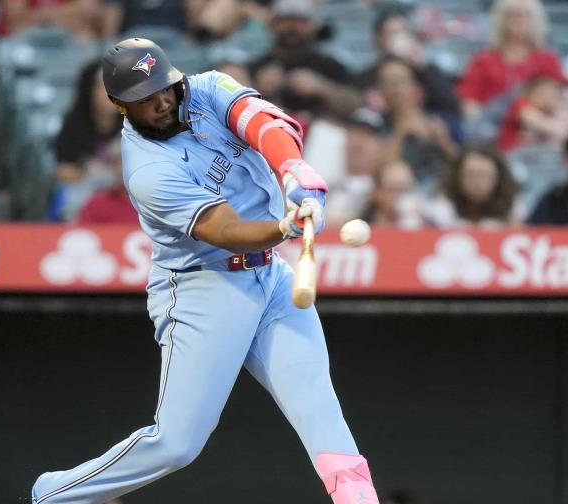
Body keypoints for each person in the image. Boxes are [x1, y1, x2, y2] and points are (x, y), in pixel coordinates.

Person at [30, 38, 381, 504]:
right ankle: (53, 496)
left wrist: (293, 169)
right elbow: (224, 228)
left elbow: (264, 123)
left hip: (270, 279)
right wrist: (284, 225)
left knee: (319, 408)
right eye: (144, 99)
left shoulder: (207, 87)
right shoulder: (146, 169)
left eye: (164, 89)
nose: (160, 103)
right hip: (204, 288)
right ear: (119, 105)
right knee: (176, 445)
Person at [248, 0, 360, 122]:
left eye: (300, 21)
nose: (292, 27)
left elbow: (356, 106)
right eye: (285, 20)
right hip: (268, 129)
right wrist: (258, 89)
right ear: (273, 25)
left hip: (319, 133)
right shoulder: (256, 66)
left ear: (312, 25)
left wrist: (322, 88)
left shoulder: (330, 65)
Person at [456, 0, 564, 124]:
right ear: (501, 20)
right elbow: (469, 101)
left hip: (540, 124)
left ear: (536, 20)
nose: (518, 20)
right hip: (495, 126)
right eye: (512, 15)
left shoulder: (547, 58)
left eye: (524, 15)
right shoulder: (484, 59)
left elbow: (560, 96)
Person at [50, 61, 124, 221]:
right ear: (88, 89)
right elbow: (64, 171)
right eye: (101, 86)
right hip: (83, 197)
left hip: (124, 198)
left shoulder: (135, 126)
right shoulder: (72, 125)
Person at [362, 8, 460, 120]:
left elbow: (451, 106)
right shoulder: (368, 76)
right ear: (379, 39)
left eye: (404, 32)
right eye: (393, 34)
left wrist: (423, 68)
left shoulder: (425, 71)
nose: (400, 38)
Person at [376, 58, 459, 186]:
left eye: (400, 81)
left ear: (414, 86)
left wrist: (444, 142)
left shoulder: (439, 120)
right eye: (389, 83)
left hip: (441, 187)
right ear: (381, 90)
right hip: (400, 191)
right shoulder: (376, 124)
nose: (395, 89)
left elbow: (463, 164)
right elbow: (378, 171)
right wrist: (401, 133)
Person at [427, 145, 520, 228]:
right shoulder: (443, 206)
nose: (478, 182)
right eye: (471, 175)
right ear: (458, 176)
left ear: (499, 177)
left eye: (484, 175)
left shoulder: (512, 206)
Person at [496, 68, 568, 153]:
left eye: (553, 93)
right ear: (530, 93)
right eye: (542, 93)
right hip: (512, 155)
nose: (547, 98)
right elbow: (534, 121)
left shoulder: (553, 110)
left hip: (538, 155)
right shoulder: (521, 103)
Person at [325, 108, 386, 226]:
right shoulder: (323, 188)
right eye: (355, 133)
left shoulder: (385, 191)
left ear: (381, 147)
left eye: (368, 136)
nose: (359, 142)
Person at [361, 160, 425, 229]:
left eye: (406, 189)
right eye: (395, 189)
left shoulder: (428, 228)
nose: (402, 195)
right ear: (377, 192)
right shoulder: (362, 229)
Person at [0, 0, 106, 39]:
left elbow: (89, 13)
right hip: (19, 40)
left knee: (85, 34)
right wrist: (66, 15)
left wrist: (43, 16)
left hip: (66, 39)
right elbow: (16, 19)